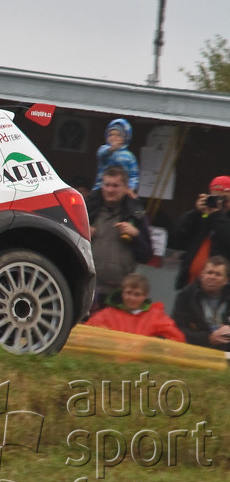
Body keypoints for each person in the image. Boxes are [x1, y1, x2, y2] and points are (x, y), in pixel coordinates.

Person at [84, 165, 153, 309]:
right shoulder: (87, 211)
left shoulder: (136, 215)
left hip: (119, 293)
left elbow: (147, 255)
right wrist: (82, 233)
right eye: (107, 185)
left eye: (115, 185)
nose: (110, 190)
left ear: (126, 188)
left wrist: (136, 235)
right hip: (87, 285)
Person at [169, 175, 230, 290]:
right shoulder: (203, 215)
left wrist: (217, 216)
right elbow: (178, 236)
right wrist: (195, 212)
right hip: (191, 285)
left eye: (224, 199)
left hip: (222, 289)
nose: (220, 203)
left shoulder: (218, 218)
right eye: (216, 198)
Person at [85, 273, 185, 341]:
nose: (132, 298)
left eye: (137, 294)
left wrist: (155, 343)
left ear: (145, 296)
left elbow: (177, 338)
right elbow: (86, 333)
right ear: (122, 293)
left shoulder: (156, 316)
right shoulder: (107, 314)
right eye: (128, 293)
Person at [171, 256, 230, 351]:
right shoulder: (185, 296)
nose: (212, 277)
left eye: (218, 274)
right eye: (209, 272)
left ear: (226, 280)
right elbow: (177, 328)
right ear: (201, 275)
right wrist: (208, 338)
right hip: (194, 350)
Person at [93, 118, 139, 194]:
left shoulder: (129, 156)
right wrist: (111, 149)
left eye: (118, 135)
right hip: (100, 189)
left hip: (120, 191)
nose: (114, 138)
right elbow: (101, 155)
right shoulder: (104, 149)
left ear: (125, 137)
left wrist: (131, 188)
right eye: (111, 135)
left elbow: (134, 175)